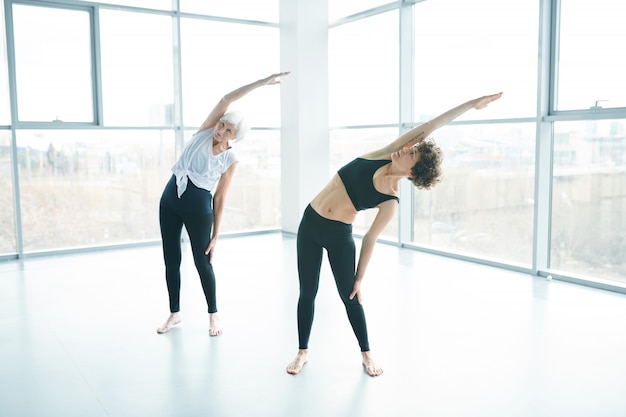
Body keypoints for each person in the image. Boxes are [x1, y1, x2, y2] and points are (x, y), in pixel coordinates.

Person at [285, 92, 503, 376]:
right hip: (310, 224)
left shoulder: (390, 201)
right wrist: (471, 105)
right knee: (307, 293)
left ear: (412, 173)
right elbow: (433, 124)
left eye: (412, 154)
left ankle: (367, 354)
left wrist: (359, 277)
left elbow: (370, 238)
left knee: (350, 296)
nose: (407, 149)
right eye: (411, 147)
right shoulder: (383, 154)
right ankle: (302, 352)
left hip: (339, 235)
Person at [157, 71, 291, 336]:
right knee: (171, 259)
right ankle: (174, 313)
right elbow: (227, 98)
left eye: (228, 130)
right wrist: (263, 82)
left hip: (199, 209)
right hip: (169, 200)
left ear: (235, 137)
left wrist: (216, 234)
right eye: (222, 125)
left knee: (202, 263)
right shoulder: (205, 131)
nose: (221, 131)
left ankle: (213, 315)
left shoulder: (231, 158)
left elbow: (220, 196)